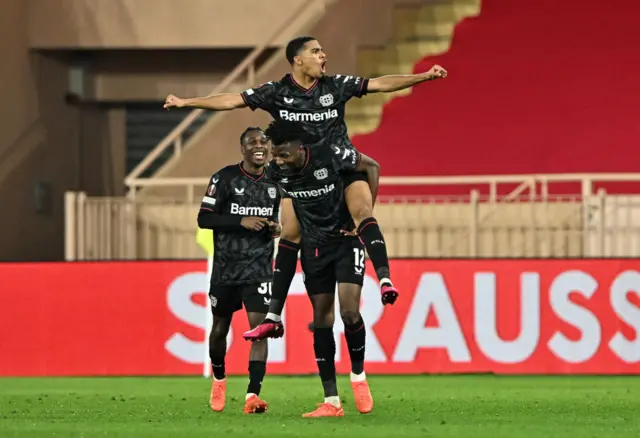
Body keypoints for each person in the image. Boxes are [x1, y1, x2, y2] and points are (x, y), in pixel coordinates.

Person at [164, 36, 448, 324]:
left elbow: (379, 83)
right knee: (290, 235)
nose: (323, 55)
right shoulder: (276, 92)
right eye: (316, 51)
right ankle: (274, 315)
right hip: (300, 178)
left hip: (340, 167)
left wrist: (423, 77)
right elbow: (232, 100)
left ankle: (385, 279)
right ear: (298, 59)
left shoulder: (335, 85)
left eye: (322, 50)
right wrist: (188, 102)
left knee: (363, 213)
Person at [257, 118, 380, 417]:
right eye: (276, 154)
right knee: (322, 317)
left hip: (343, 239)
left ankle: (358, 377)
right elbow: (283, 214)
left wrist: (364, 215)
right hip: (314, 248)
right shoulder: (279, 172)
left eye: (284, 154)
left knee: (350, 312)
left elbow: (371, 166)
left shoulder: (329, 156)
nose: (278, 160)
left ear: (302, 148)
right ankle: (332, 401)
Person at [197, 127, 281, 414]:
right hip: (226, 269)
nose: (259, 146)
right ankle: (219, 380)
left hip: (259, 269)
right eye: (252, 142)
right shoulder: (224, 178)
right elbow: (204, 219)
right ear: (242, 149)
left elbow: (280, 215)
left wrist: (276, 227)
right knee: (220, 329)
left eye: (263, 141)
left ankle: (252, 395)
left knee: (260, 331)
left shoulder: (277, 180)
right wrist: (240, 220)